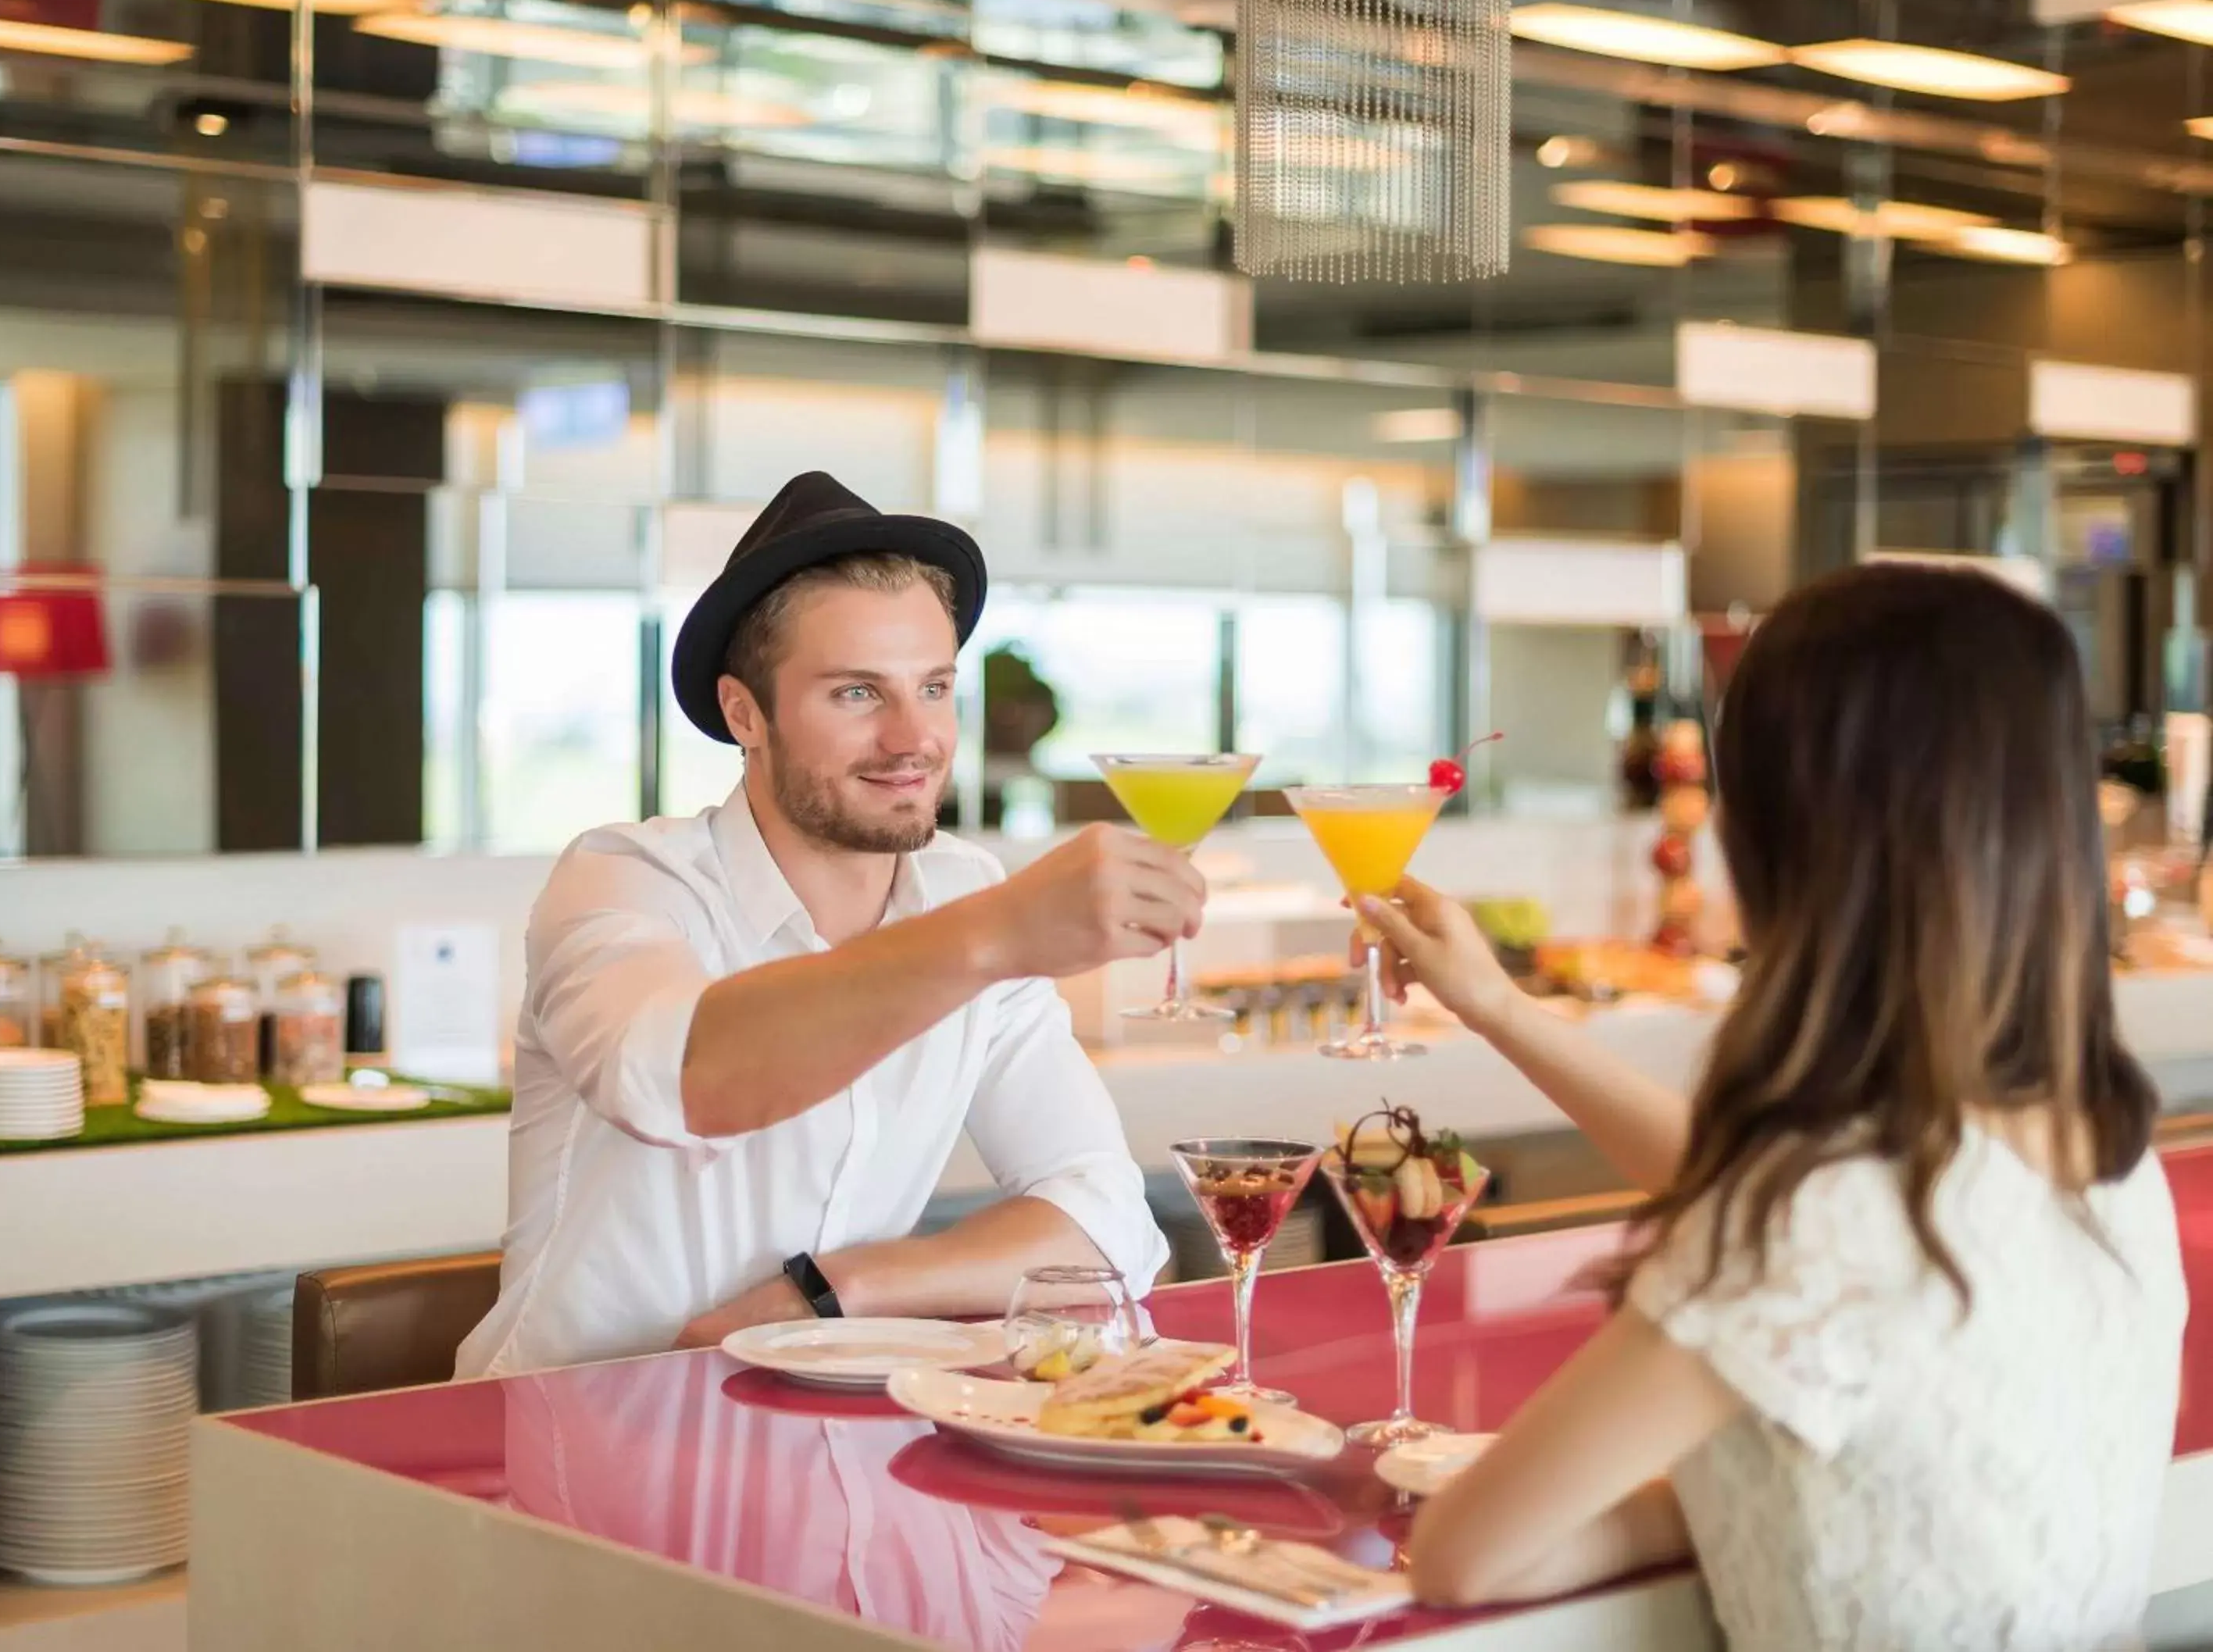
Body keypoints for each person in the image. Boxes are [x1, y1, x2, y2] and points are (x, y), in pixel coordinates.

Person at [1362, 563, 2184, 1650]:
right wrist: (1499, 1009)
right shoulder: (2103, 1155)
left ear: (1794, 839)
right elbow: (1762, 1189)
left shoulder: (1816, 1220)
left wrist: (1669, 1500)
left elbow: (1470, 1550)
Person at [455, 472, 1189, 1379]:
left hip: (835, 1442)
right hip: (586, 1439)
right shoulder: (627, 877)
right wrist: (996, 932)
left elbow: (1109, 1217)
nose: (912, 738)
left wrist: (835, 1289)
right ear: (743, 713)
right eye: (856, 694)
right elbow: (679, 1085)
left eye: (932, 687)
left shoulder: (965, 884)